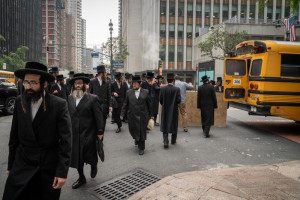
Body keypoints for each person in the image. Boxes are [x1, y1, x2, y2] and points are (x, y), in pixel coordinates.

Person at [3, 62, 72, 200]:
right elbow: (14, 137)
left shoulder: (59, 105)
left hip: (46, 169)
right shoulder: (19, 101)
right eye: (26, 82)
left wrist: (62, 172)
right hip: (21, 165)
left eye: (33, 82)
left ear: (44, 84)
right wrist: (11, 166)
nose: (27, 87)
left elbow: (66, 141)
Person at [67, 73, 104, 189]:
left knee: (90, 155)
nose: (78, 85)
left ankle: (94, 164)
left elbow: (99, 117)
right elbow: (68, 116)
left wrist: (100, 132)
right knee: (78, 158)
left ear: (84, 85)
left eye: (80, 83)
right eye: (75, 83)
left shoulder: (93, 99)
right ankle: (81, 177)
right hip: (75, 134)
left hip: (89, 133)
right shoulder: (70, 98)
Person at [121, 75, 153, 155]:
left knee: (142, 131)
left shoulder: (145, 92)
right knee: (134, 130)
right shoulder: (129, 92)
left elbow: (150, 104)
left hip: (143, 116)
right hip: (132, 116)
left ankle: (141, 148)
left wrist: (151, 115)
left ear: (140, 83)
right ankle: (136, 138)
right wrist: (122, 114)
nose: (133, 85)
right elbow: (125, 104)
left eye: (135, 83)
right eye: (133, 83)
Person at [159, 73, 181, 148]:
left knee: (165, 123)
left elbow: (161, 100)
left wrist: (165, 104)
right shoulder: (177, 89)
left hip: (165, 109)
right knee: (174, 124)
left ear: (167, 80)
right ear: (174, 80)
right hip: (174, 110)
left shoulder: (162, 89)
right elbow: (179, 101)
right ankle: (173, 140)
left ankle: (165, 141)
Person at [89, 65, 112, 132]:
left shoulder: (107, 82)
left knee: (103, 124)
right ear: (102, 73)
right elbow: (89, 94)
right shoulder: (92, 82)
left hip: (104, 107)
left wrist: (110, 105)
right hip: (94, 107)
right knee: (95, 124)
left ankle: (100, 141)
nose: (106, 74)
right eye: (105, 72)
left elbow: (109, 95)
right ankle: (96, 140)